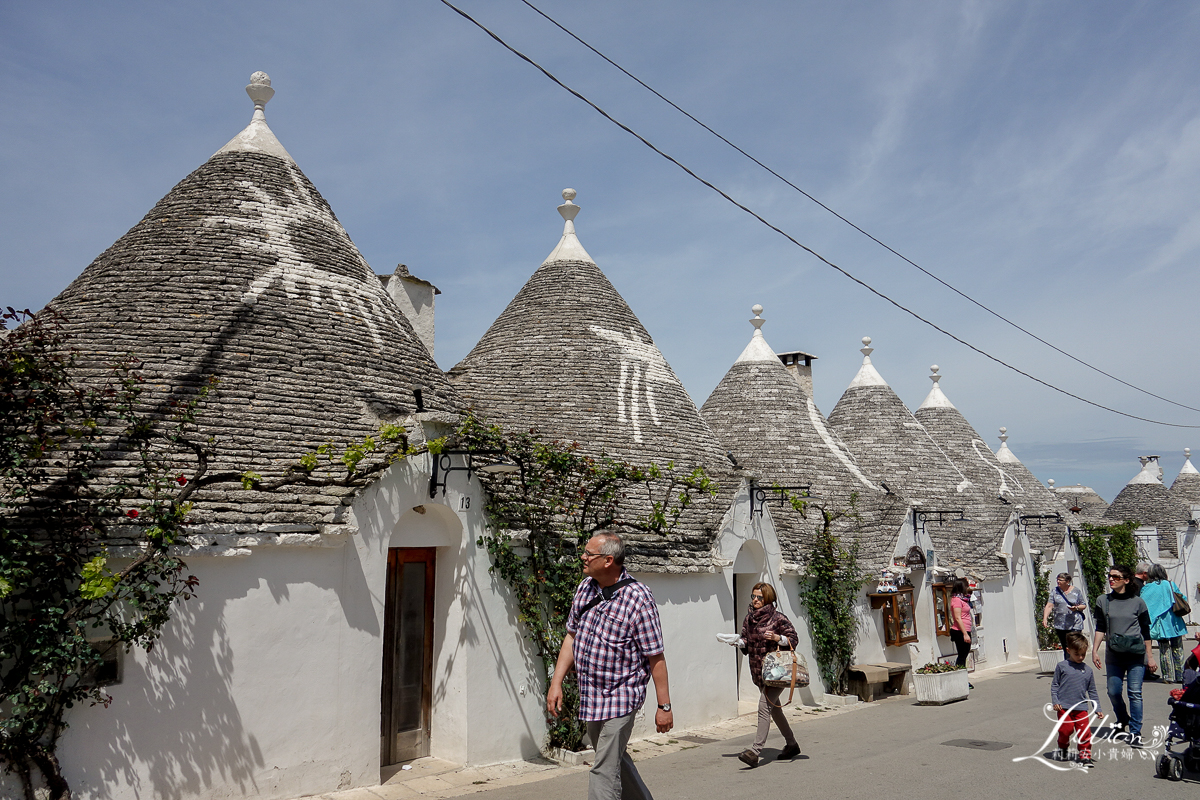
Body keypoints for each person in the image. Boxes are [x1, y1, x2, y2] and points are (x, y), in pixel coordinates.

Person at [547, 531, 672, 800]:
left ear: (607, 560)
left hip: (622, 696)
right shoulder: (585, 588)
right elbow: (571, 636)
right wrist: (556, 682)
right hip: (592, 696)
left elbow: (655, 656)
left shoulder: (638, 597)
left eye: (588, 554)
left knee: (602, 768)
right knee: (613, 758)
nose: (582, 557)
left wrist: (664, 707)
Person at [723, 582, 802, 768]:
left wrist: (778, 638)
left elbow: (794, 639)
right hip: (759, 671)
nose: (755, 600)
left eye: (759, 597)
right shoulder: (749, 619)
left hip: (777, 672)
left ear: (767, 598)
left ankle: (755, 751)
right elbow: (746, 640)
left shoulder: (778, 618)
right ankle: (792, 744)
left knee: (764, 706)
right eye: (753, 596)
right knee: (775, 709)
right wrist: (738, 642)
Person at [1092, 564, 1156, 745]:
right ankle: (1122, 719)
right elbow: (1100, 628)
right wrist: (1094, 650)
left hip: (1135, 654)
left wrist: (1150, 657)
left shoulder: (1138, 602)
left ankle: (1135, 732)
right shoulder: (1103, 601)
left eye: (1116, 577)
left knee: (1135, 692)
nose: (1111, 579)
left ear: (1127, 580)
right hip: (1114, 654)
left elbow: (1146, 631)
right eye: (1110, 576)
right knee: (1113, 692)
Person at [1051, 631, 1100, 766]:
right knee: (1065, 730)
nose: (1080, 657)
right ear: (1068, 651)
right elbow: (1055, 685)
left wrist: (1097, 708)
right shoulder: (1062, 666)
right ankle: (1063, 746)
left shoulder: (1088, 670)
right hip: (1064, 707)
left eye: (1083, 654)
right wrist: (1056, 701)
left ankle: (1085, 756)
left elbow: (1092, 691)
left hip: (1081, 708)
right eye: (1076, 654)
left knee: (1085, 733)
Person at [1141, 563, 1188, 683]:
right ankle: (1180, 675)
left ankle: (1168, 676)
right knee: (1178, 649)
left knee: (1164, 650)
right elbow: (1182, 598)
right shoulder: (1170, 585)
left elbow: (1144, 604)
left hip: (1159, 624)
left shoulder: (1147, 588)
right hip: (1174, 623)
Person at [1041, 572, 1086, 657]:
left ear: (1067, 581)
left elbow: (1083, 605)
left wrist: (1076, 608)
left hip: (1075, 624)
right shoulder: (1055, 591)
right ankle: (1068, 667)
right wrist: (1045, 618)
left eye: (1060, 580)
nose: (1058, 581)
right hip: (1060, 624)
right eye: (1057, 579)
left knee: (1074, 646)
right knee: (1066, 647)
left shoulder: (1076, 591)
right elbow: (1049, 605)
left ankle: (1076, 664)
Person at [949, 579, 974, 685]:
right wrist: (965, 634)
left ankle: (962, 679)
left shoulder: (963, 599)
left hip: (966, 629)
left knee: (964, 655)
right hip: (959, 631)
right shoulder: (956, 600)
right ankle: (960, 680)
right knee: (962, 655)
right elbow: (958, 618)